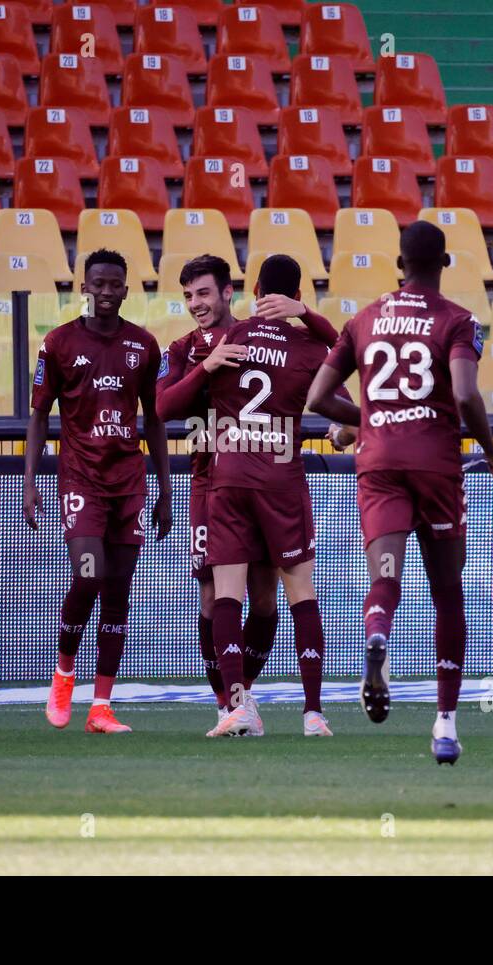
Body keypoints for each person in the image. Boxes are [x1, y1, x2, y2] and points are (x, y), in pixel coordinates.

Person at [308, 221, 493, 764]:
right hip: (436, 465)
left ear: (399, 265)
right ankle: (444, 724)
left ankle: (378, 636)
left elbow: (318, 398)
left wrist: (373, 419)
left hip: (379, 465)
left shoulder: (364, 318)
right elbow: (466, 396)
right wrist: (491, 451)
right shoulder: (457, 321)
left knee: (385, 576)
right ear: (444, 264)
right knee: (447, 592)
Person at [156, 253, 343, 732]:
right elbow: (346, 351)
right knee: (217, 592)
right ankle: (245, 706)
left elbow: (163, 409)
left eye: (204, 293)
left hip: (231, 473)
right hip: (226, 476)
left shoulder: (231, 339)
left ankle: (242, 702)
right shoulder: (193, 348)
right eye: (189, 295)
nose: (197, 304)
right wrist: (357, 422)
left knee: (256, 600)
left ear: (239, 291)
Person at [24, 249, 172, 733]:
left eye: (115, 284)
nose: (106, 292)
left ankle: (102, 706)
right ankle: (64, 673)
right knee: (88, 577)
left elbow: (154, 419)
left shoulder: (144, 346)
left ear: (127, 290)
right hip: (81, 481)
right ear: (83, 287)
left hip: (129, 484)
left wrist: (165, 488)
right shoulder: (58, 343)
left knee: (117, 593)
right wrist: (30, 482)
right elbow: (39, 416)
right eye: (98, 284)